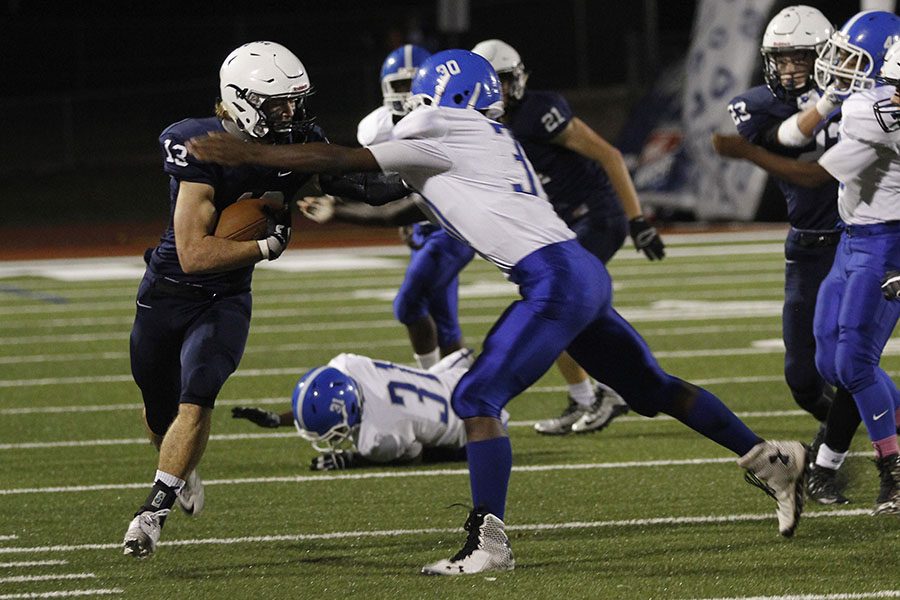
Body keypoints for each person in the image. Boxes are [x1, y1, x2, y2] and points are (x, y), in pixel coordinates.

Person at [187, 49, 809, 575]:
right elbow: (375, 186)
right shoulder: (485, 136)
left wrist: (258, 157)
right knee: (652, 389)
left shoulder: (443, 129)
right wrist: (307, 184)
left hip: (554, 280)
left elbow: (348, 164)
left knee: (477, 397)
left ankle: (487, 541)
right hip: (576, 272)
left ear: (439, 95)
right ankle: (772, 461)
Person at [122, 41, 322, 558]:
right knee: (158, 405)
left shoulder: (293, 144)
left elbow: (341, 180)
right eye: (278, 103)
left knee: (198, 393)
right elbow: (192, 254)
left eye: (294, 102)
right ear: (239, 100)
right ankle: (180, 467)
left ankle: (153, 510)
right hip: (169, 291)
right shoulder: (200, 145)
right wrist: (262, 244)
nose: (290, 113)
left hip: (227, 299)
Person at [711, 27, 900, 515]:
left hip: (884, 242)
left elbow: (814, 173)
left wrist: (747, 152)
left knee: (855, 365)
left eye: (851, 59)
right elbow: (794, 133)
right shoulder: (865, 100)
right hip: (852, 237)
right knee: (827, 365)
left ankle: (892, 472)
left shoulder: (878, 111)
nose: (836, 65)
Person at [472, 39, 664, 436]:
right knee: (557, 306)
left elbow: (609, 154)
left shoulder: (539, 113)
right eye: (492, 83)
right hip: (561, 225)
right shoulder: (479, 128)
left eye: (505, 82)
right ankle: (587, 397)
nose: (501, 92)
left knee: (559, 303)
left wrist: (637, 219)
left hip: (597, 215)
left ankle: (612, 390)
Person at [302, 44, 476, 369]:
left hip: (449, 227)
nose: (407, 93)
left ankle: (434, 384)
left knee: (408, 306)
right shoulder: (377, 128)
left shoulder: (446, 124)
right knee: (444, 320)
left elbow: (394, 205)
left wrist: (339, 208)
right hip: (421, 225)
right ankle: (459, 399)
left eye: (413, 84)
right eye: (399, 85)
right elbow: (382, 186)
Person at [232, 349, 510, 470]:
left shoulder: (376, 437)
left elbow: (414, 456)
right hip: (455, 376)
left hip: (474, 421)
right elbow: (330, 401)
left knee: (448, 448)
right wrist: (277, 419)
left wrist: (352, 460)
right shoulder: (348, 366)